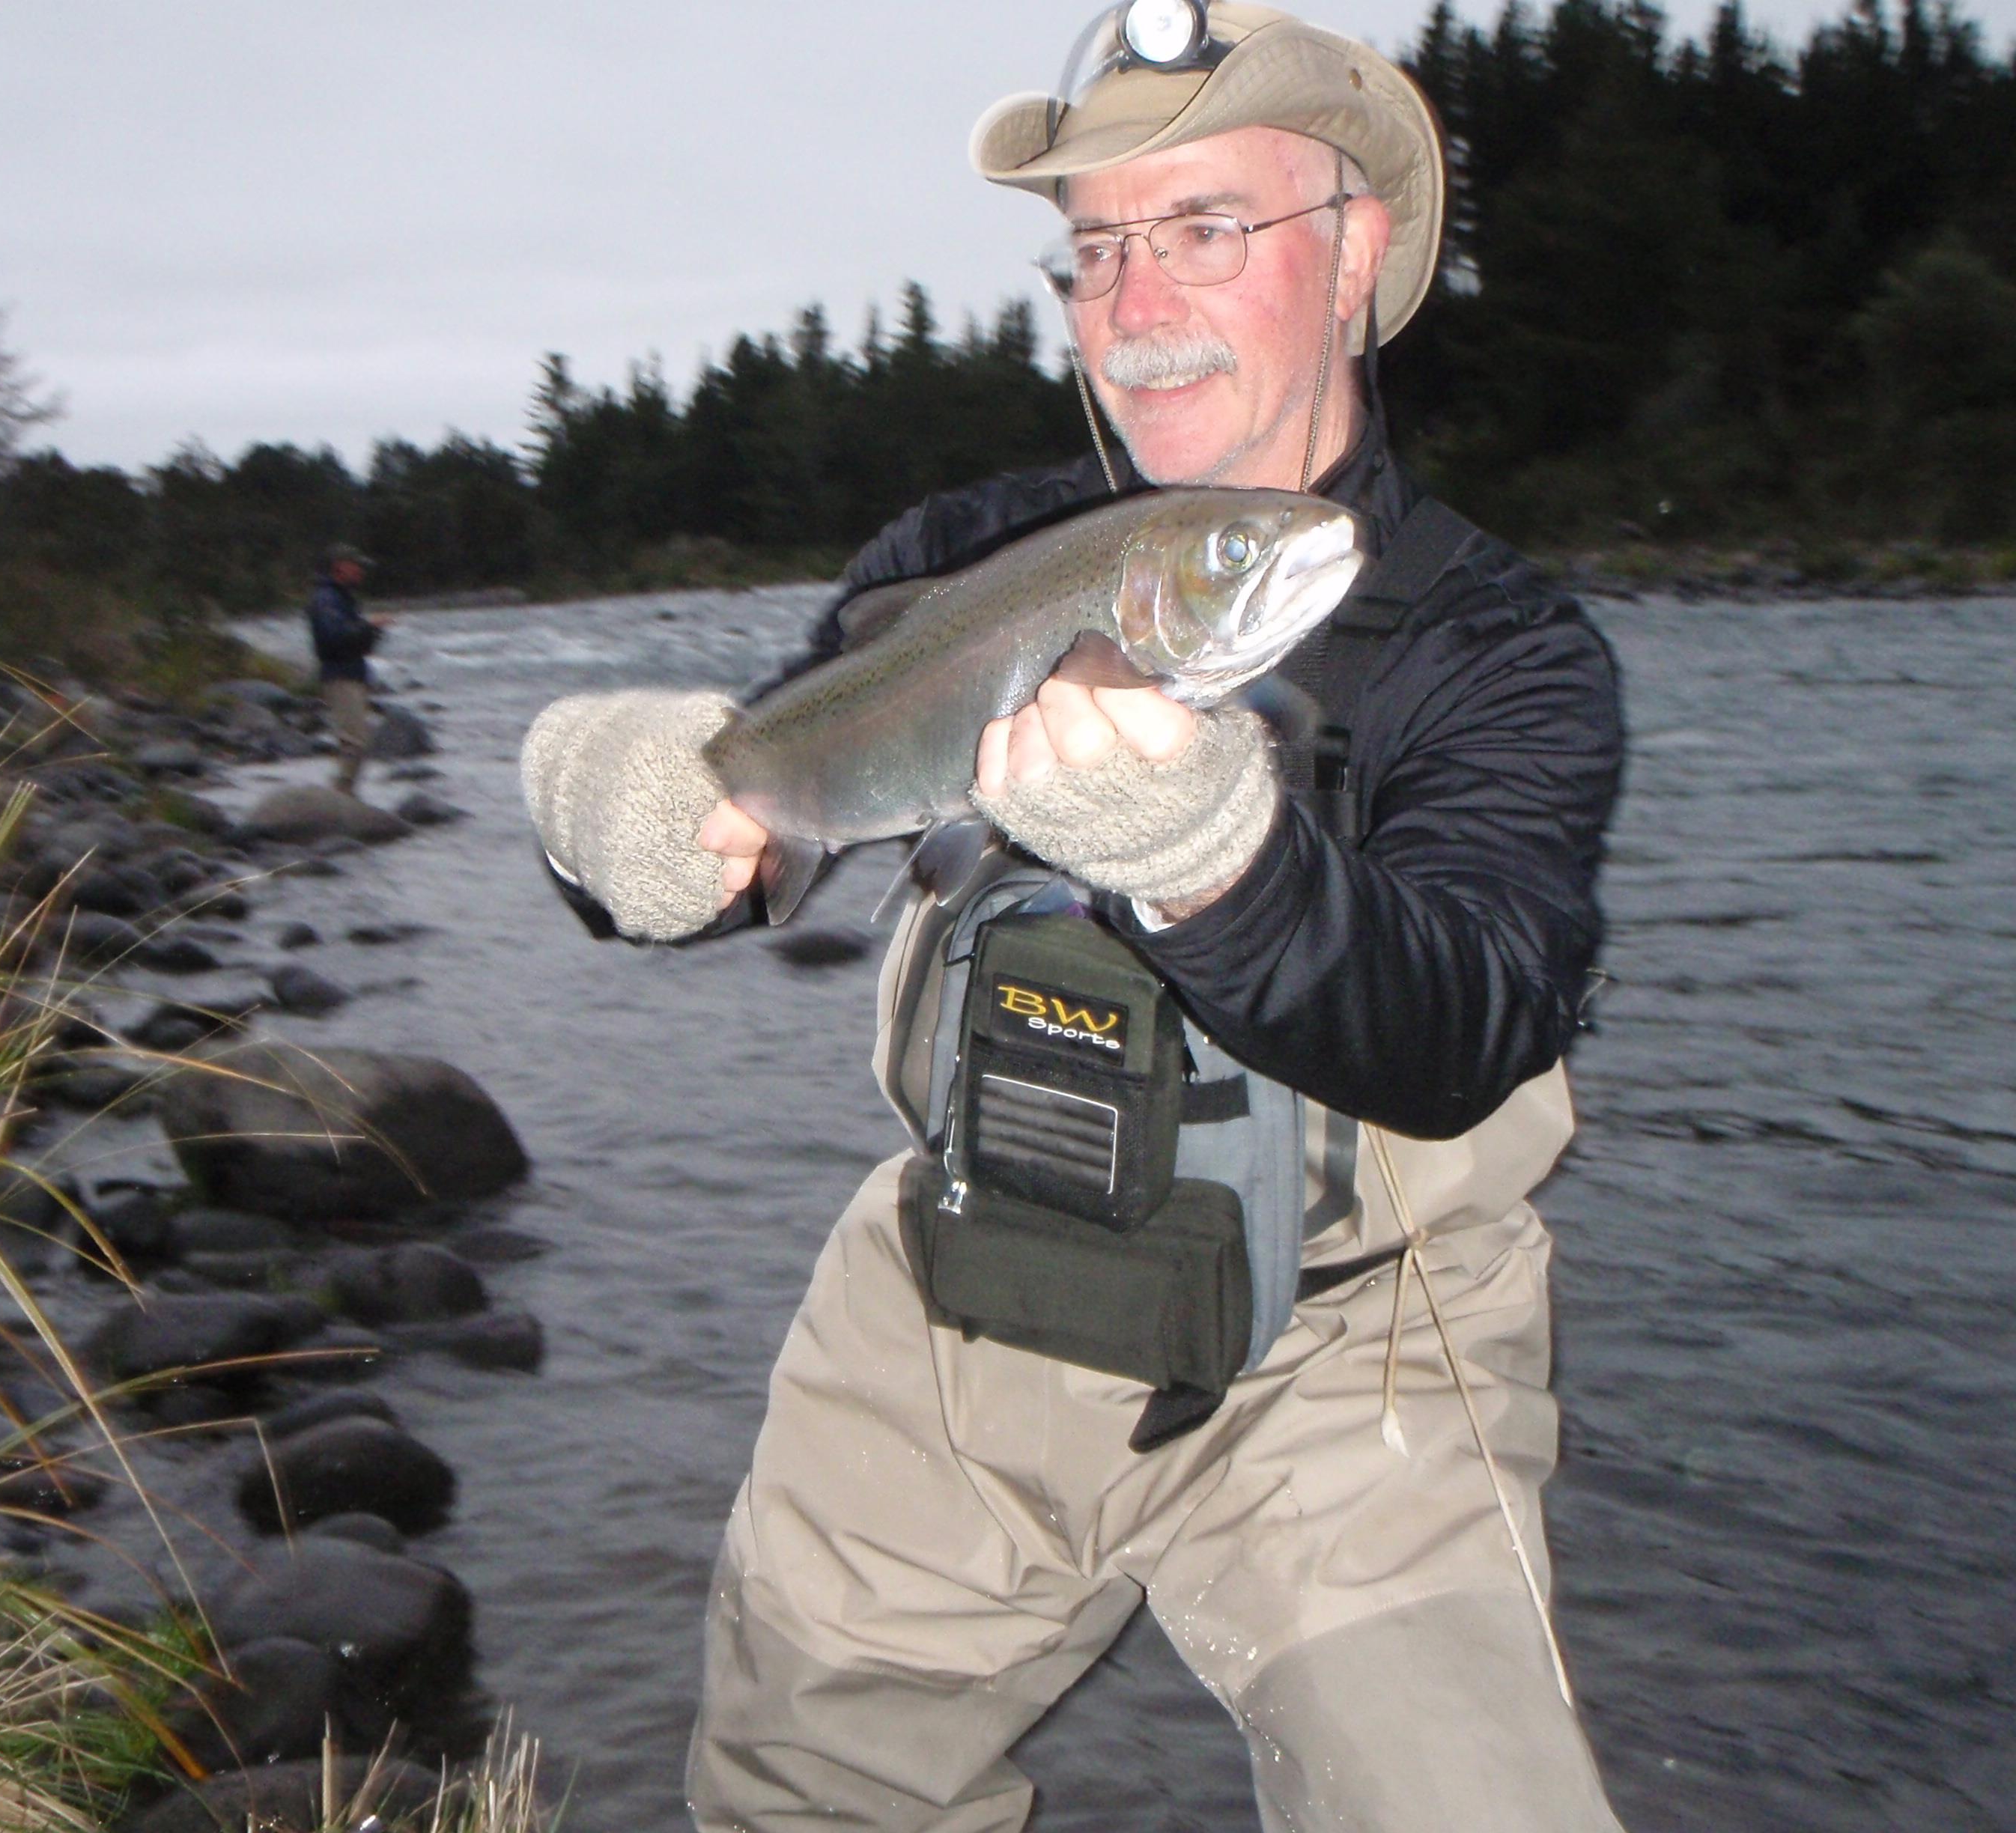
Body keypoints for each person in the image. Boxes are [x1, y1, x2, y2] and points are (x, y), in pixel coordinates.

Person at [520, 2, 1627, 1826]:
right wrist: (604, 810)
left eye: (1205, 227)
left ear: (1353, 255)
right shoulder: (965, 558)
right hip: (960, 1287)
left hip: (1350, 1357)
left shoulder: (1500, 653)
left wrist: (1215, 857)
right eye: (1097, 249)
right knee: (794, 1791)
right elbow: (757, 808)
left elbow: (1473, 1016)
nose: (1136, 299)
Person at [306, 541, 386, 796]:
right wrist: (368, 626)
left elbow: (357, 643)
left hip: (352, 674)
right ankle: (341, 795)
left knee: (357, 741)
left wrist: (372, 631)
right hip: (340, 677)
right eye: (357, 567)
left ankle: (346, 793)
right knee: (355, 743)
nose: (361, 572)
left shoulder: (341, 598)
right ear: (340, 568)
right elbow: (334, 637)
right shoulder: (326, 599)